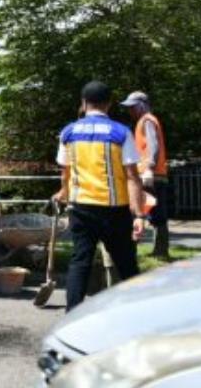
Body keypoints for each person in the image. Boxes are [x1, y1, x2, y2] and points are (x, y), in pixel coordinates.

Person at [53, 81, 147, 311]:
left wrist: (63, 193)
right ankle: (140, 312)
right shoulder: (120, 132)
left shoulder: (69, 132)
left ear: (84, 103)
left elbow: (65, 172)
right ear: (110, 104)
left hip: (81, 208)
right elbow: (133, 177)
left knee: (80, 262)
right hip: (115, 210)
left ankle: (72, 313)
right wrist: (139, 215)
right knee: (126, 263)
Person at [121, 91, 170, 259]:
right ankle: (160, 251)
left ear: (142, 105)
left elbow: (153, 144)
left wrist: (149, 167)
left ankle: (132, 251)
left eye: (132, 107)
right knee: (156, 214)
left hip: (150, 175)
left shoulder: (147, 120)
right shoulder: (147, 120)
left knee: (137, 212)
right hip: (156, 174)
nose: (130, 111)